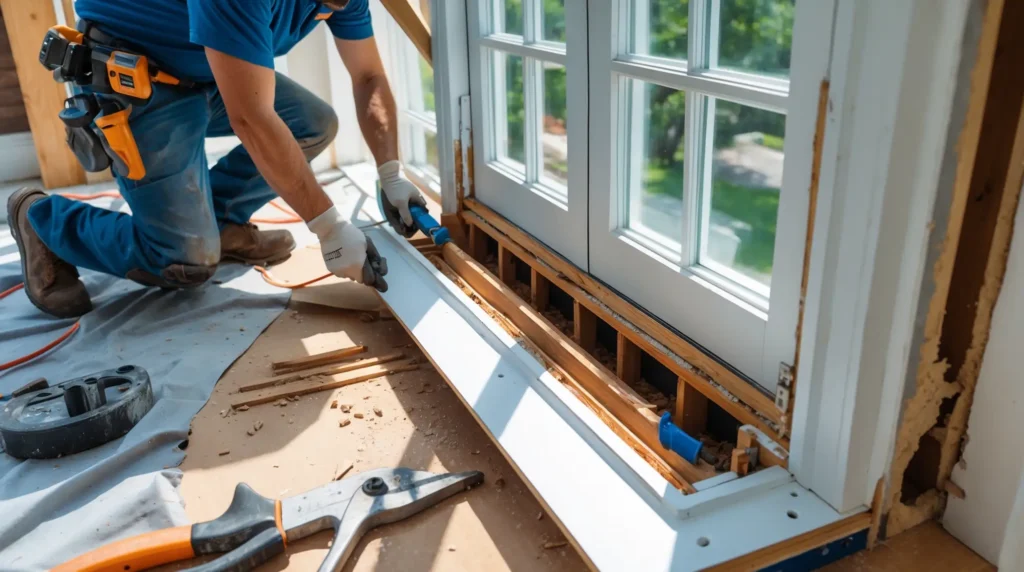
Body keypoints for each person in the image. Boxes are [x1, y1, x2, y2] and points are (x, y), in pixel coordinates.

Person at [6, 0, 426, 318]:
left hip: (212, 66)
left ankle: (219, 224)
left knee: (312, 124)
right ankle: (43, 221)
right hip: (139, 71)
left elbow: (368, 75)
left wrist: (391, 173)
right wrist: (329, 226)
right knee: (181, 261)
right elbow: (252, 118)